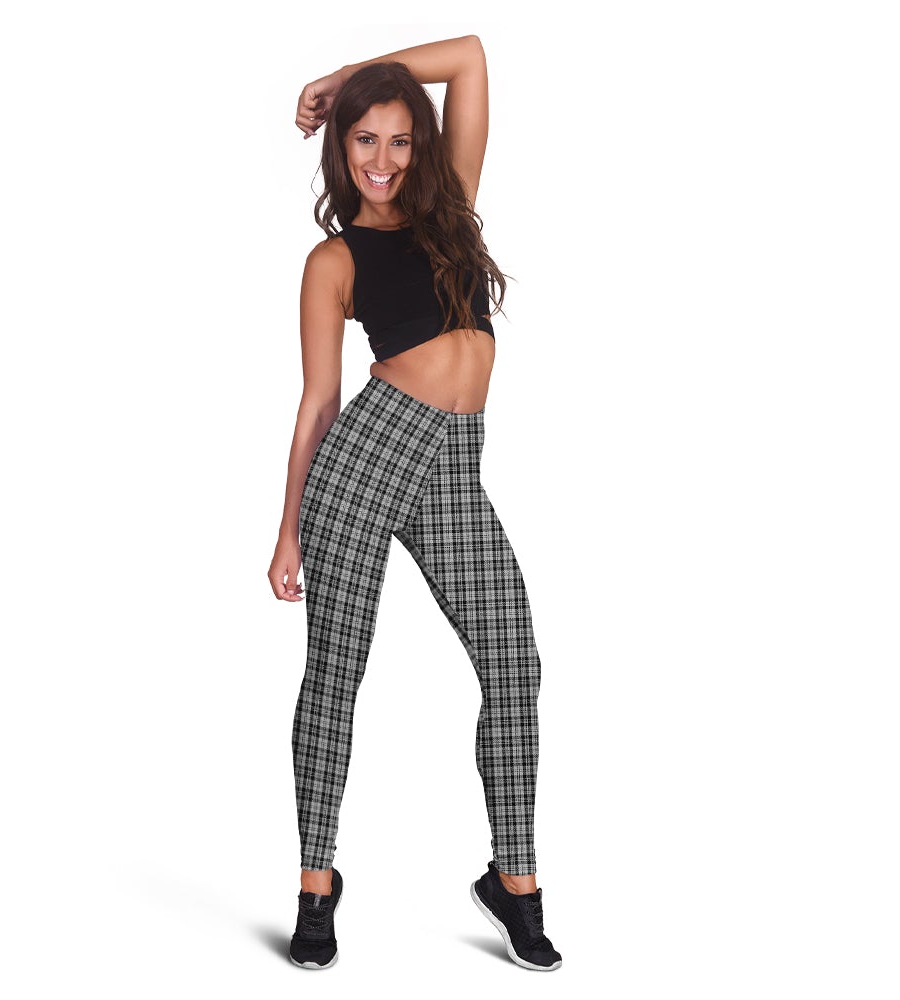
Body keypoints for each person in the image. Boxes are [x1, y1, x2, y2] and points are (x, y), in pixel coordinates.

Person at [267, 35, 562, 972]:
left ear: (420, 146)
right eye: (365, 138)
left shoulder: (451, 213)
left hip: (452, 469)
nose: (383, 159)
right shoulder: (334, 258)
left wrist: (342, 77)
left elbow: (469, 57)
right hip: (366, 459)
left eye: (399, 140)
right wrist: (287, 530)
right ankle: (316, 885)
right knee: (336, 674)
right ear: (340, 148)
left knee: (514, 665)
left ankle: (513, 881)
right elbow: (318, 402)